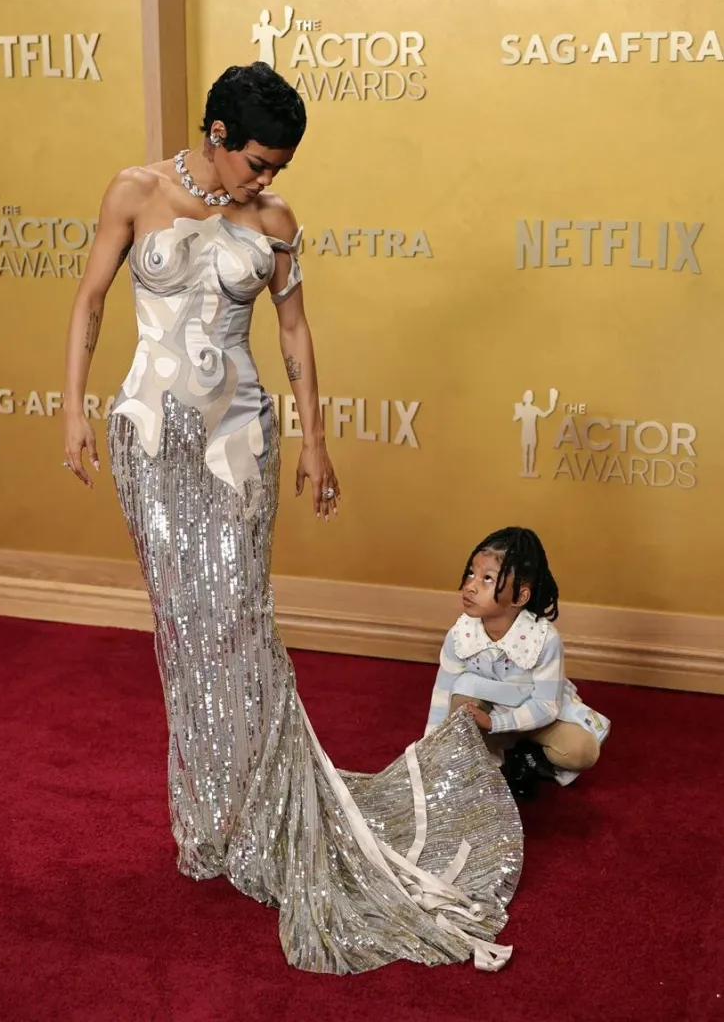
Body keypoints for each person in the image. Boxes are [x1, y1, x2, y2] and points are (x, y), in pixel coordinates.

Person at [62, 62, 522, 975]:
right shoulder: (134, 191)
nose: (268, 180)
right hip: (151, 445)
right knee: (185, 627)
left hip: (240, 448)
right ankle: (216, 812)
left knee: (239, 623)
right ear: (218, 134)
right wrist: (73, 409)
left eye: (280, 166)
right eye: (259, 162)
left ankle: (271, 812)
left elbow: (295, 335)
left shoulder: (274, 225)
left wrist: (316, 442)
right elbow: (91, 298)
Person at [426, 527, 610, 798]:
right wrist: (429, 753)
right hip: (484, 713)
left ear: (520, 596)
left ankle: (528, 757)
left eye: (487, 579)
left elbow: (546, 705)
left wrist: (494, 723)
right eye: (471, 574)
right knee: (460, 702)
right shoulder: (461, 634)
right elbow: (442, 695)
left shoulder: (543, 639)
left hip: (533, 716)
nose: (471, 586)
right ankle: (490, 766)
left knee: (582, 750)